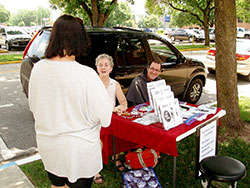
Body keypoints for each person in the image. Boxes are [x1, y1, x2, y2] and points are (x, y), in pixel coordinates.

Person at [28, 14, 113, 188]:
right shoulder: (86, 75)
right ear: (80, 39)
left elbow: (34, 107)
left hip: (49, 146)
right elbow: (105, 118)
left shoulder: (38, 69)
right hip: (79, 152)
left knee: (58, 186)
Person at [94, 53, 128, 183]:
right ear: (97, 68)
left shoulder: (115, 84)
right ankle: (94, 169)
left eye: (106, 65)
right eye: (100, 65)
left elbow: (123, 102)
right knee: (97, 141)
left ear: (111, 68)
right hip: (95, 121)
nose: (103, 67)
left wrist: (121, 108)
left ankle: (115, 157)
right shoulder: (92, 84)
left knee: (119, 132)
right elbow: (92, 106)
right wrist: (111, 109)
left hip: (111, 119)